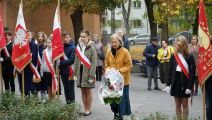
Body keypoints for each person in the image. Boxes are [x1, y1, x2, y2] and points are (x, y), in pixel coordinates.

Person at [165, 35, 195, 120]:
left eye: (177, 44)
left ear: (182, 45)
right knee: (177, 104)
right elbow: (170, 71)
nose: (175, 46)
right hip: (176, 82)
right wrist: (168, 84)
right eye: (175, 44)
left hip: (185, 83)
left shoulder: (189, 56)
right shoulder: (173, 56)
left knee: (185, 105)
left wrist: (190, 87)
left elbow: (192, 74)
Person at [105, 33, 132, 120]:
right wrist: (109, 69)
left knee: (121, 100)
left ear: (120, 42)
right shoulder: (109, 52)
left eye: (115, 42)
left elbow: (129, 65)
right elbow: (106, 64)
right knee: (112, 100)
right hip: (112, 80)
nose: (114, 44)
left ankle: (120, 116)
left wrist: (119, 71)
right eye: (112, 42)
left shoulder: (125, 52)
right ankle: (115, 113)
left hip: (123, 80)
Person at [74, 30, 97, 116]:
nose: (82, 38)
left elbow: (94, 63)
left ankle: (88, 109)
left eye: (84, 36)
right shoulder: (79, 48)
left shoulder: (92, 48)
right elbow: (76, 61)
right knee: (82, 90)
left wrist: (91, 75)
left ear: (88, 37)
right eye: (81, 36)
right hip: (80, 72)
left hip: (88, 72)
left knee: (88, 91)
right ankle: (85, 108)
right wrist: (75, 73)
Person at [18, 31, 38, 96]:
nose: (27, 36)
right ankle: (26, 102)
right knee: (24, 88)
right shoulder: (22, 45)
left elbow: (33, 56)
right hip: (23, 68)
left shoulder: (34, 45)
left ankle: (33, 103)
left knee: (32, 87)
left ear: (32, 36)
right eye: (26, 35)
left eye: (28, 35)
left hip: (30, 68)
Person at [59, 32, 75, 104]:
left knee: (70, 88)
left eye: (67, 37)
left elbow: (71, 61)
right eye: (64, 37)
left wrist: (60, 63)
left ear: (70, 38)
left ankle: (72, 105)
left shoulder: (73, 48)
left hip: (70, 71)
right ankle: (67, 103)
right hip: (62, 71)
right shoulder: (61, 47)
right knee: (65, 88)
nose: (65, 39)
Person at [36, 31, 47, 101]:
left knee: (43, 82)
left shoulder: (45, 46)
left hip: (43, 66)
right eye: (39, 36)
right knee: (37, 82)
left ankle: (43, 98)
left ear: (43, 37)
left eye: (41, 36)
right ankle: (37, 98)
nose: (40, 38)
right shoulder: (36, 45)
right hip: (37, 66)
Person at [205, 35, 212, 120]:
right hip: (209, 83)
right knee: (209, 105)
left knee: (209, 105)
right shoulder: (206, 53)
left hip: (208, 83)